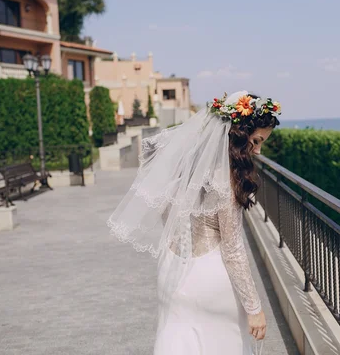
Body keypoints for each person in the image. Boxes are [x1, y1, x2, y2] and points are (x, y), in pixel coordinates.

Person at [107, 90, 282, 355]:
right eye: (256, 141)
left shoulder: (182, 166)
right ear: (237, 133)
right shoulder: (227, 179)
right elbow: (233, 250)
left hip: (172, 271)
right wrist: (254, 308)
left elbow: (150, 153)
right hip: (211, 280)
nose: (258, 150)